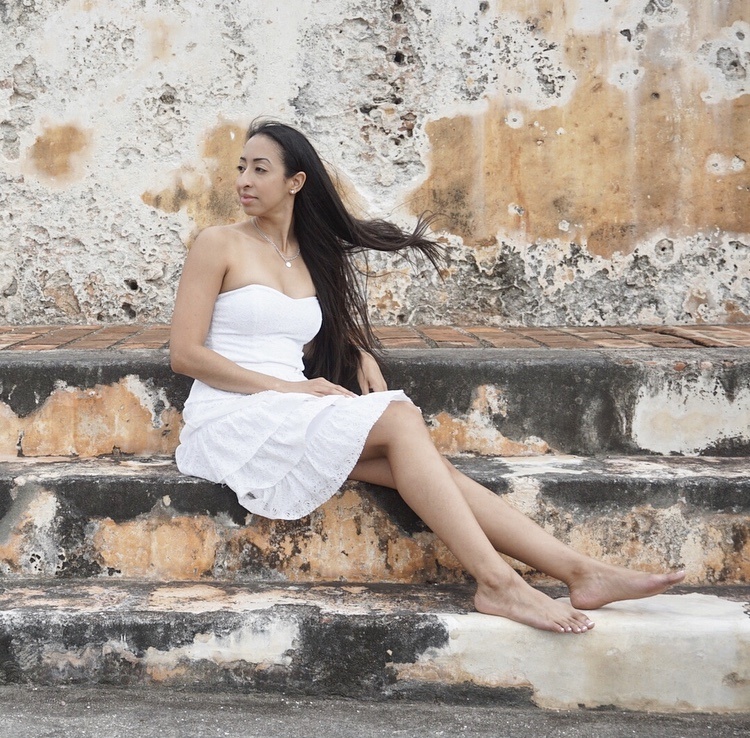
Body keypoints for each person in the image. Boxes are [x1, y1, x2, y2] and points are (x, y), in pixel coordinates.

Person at [170, 119, 684, 634]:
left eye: (260, 169)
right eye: (241, 168)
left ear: (295, 182)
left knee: (429, 472)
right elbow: (185, 355)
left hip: (291, 411)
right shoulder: (218, 243)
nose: (244, 180)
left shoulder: (310, 256)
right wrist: (291, 387)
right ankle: (499, 585)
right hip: (234, 413)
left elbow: (291, 326)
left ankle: (581, 572)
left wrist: (355, 349)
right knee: (398, 419)